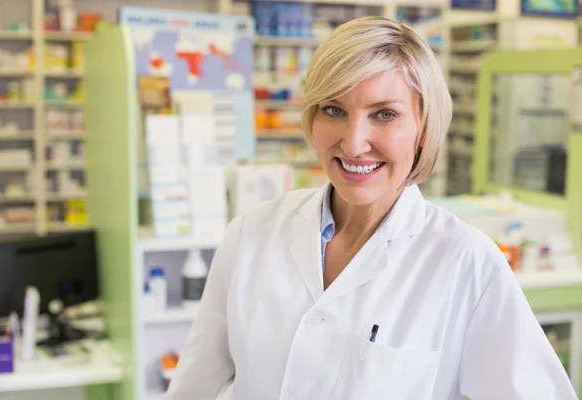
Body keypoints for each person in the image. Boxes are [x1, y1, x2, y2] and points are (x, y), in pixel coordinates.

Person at [164, 17, 577, 400]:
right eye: (334, 110)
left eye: (385, 114)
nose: (354, 142)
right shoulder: (252, 233)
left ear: (423, 126)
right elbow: (193, 389)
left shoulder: (466, 262)